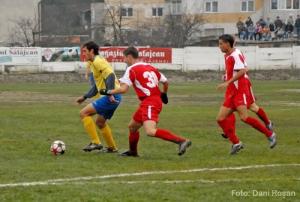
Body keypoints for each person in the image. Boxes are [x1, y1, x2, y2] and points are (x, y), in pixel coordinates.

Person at [99, 47, 191, 157]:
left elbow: (123, 89)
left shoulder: (131, 69)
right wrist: (164, 94)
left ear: (129, 56)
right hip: (150, 101)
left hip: (150, 102)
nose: (124, 60)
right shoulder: (150, 67)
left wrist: (108, 91)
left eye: (124, 57)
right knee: (132, 127)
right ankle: (133, 152)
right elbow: (166, 82)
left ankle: (181, 141)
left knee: (150, 131)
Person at [216, 34, 277, 155]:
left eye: (221, 44)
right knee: (220, 119)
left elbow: (243, 70)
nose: (219, 46)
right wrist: (227, 76)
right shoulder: (229, 54)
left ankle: (270, 134)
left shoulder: (235, 55)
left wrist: (228, 81)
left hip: (239, 90)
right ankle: (236, 143)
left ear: (227, 44)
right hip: (231, 91)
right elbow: (237, 69)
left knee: (245, 116)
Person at [76, 41, 121, 153]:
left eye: (85, 51)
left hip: (111, 96)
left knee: (83, 113)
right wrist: (85, 96)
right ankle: (112, 148)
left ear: (92, 51)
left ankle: (96, 142)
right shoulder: (94, 63)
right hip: (116, 96)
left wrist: (109, 93)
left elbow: (110, 75)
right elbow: (97, 86)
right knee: (100, 122)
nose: (84, 54)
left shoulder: (97, 61)